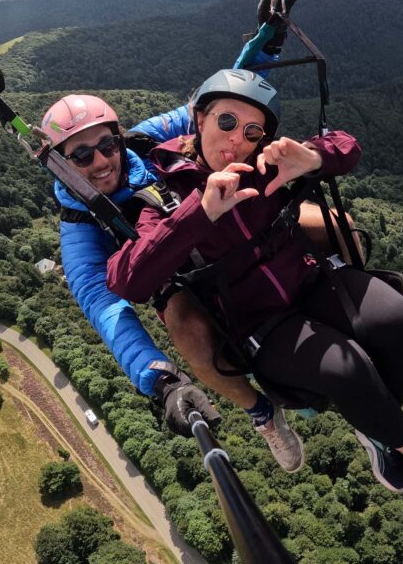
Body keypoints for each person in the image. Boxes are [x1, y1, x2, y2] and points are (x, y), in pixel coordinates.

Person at [106, 69, 403, 511]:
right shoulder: (164, 190)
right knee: (347, 369)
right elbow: (128, 280)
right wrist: (199, 213)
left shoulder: (265, 163)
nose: (237, 139)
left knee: (398, 320)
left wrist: (313, 157)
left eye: (252, 131)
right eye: (226, 121)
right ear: (199, 119)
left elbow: (347, 146)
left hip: (312, 281)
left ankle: (379, 430)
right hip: (261, 323)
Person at [41, 90, 306, 472]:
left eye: (107, 145)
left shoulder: (141, 143)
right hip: (173, 275)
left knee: (327, 223)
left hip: (214, 225)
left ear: (119, 139)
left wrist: (252, 62)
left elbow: (205, 110)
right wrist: (162, 380)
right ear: (61, 165)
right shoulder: (80, 229)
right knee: (186, 330)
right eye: (81, 155)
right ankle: (262, 413)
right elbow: (105, 309)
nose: (100, 161)